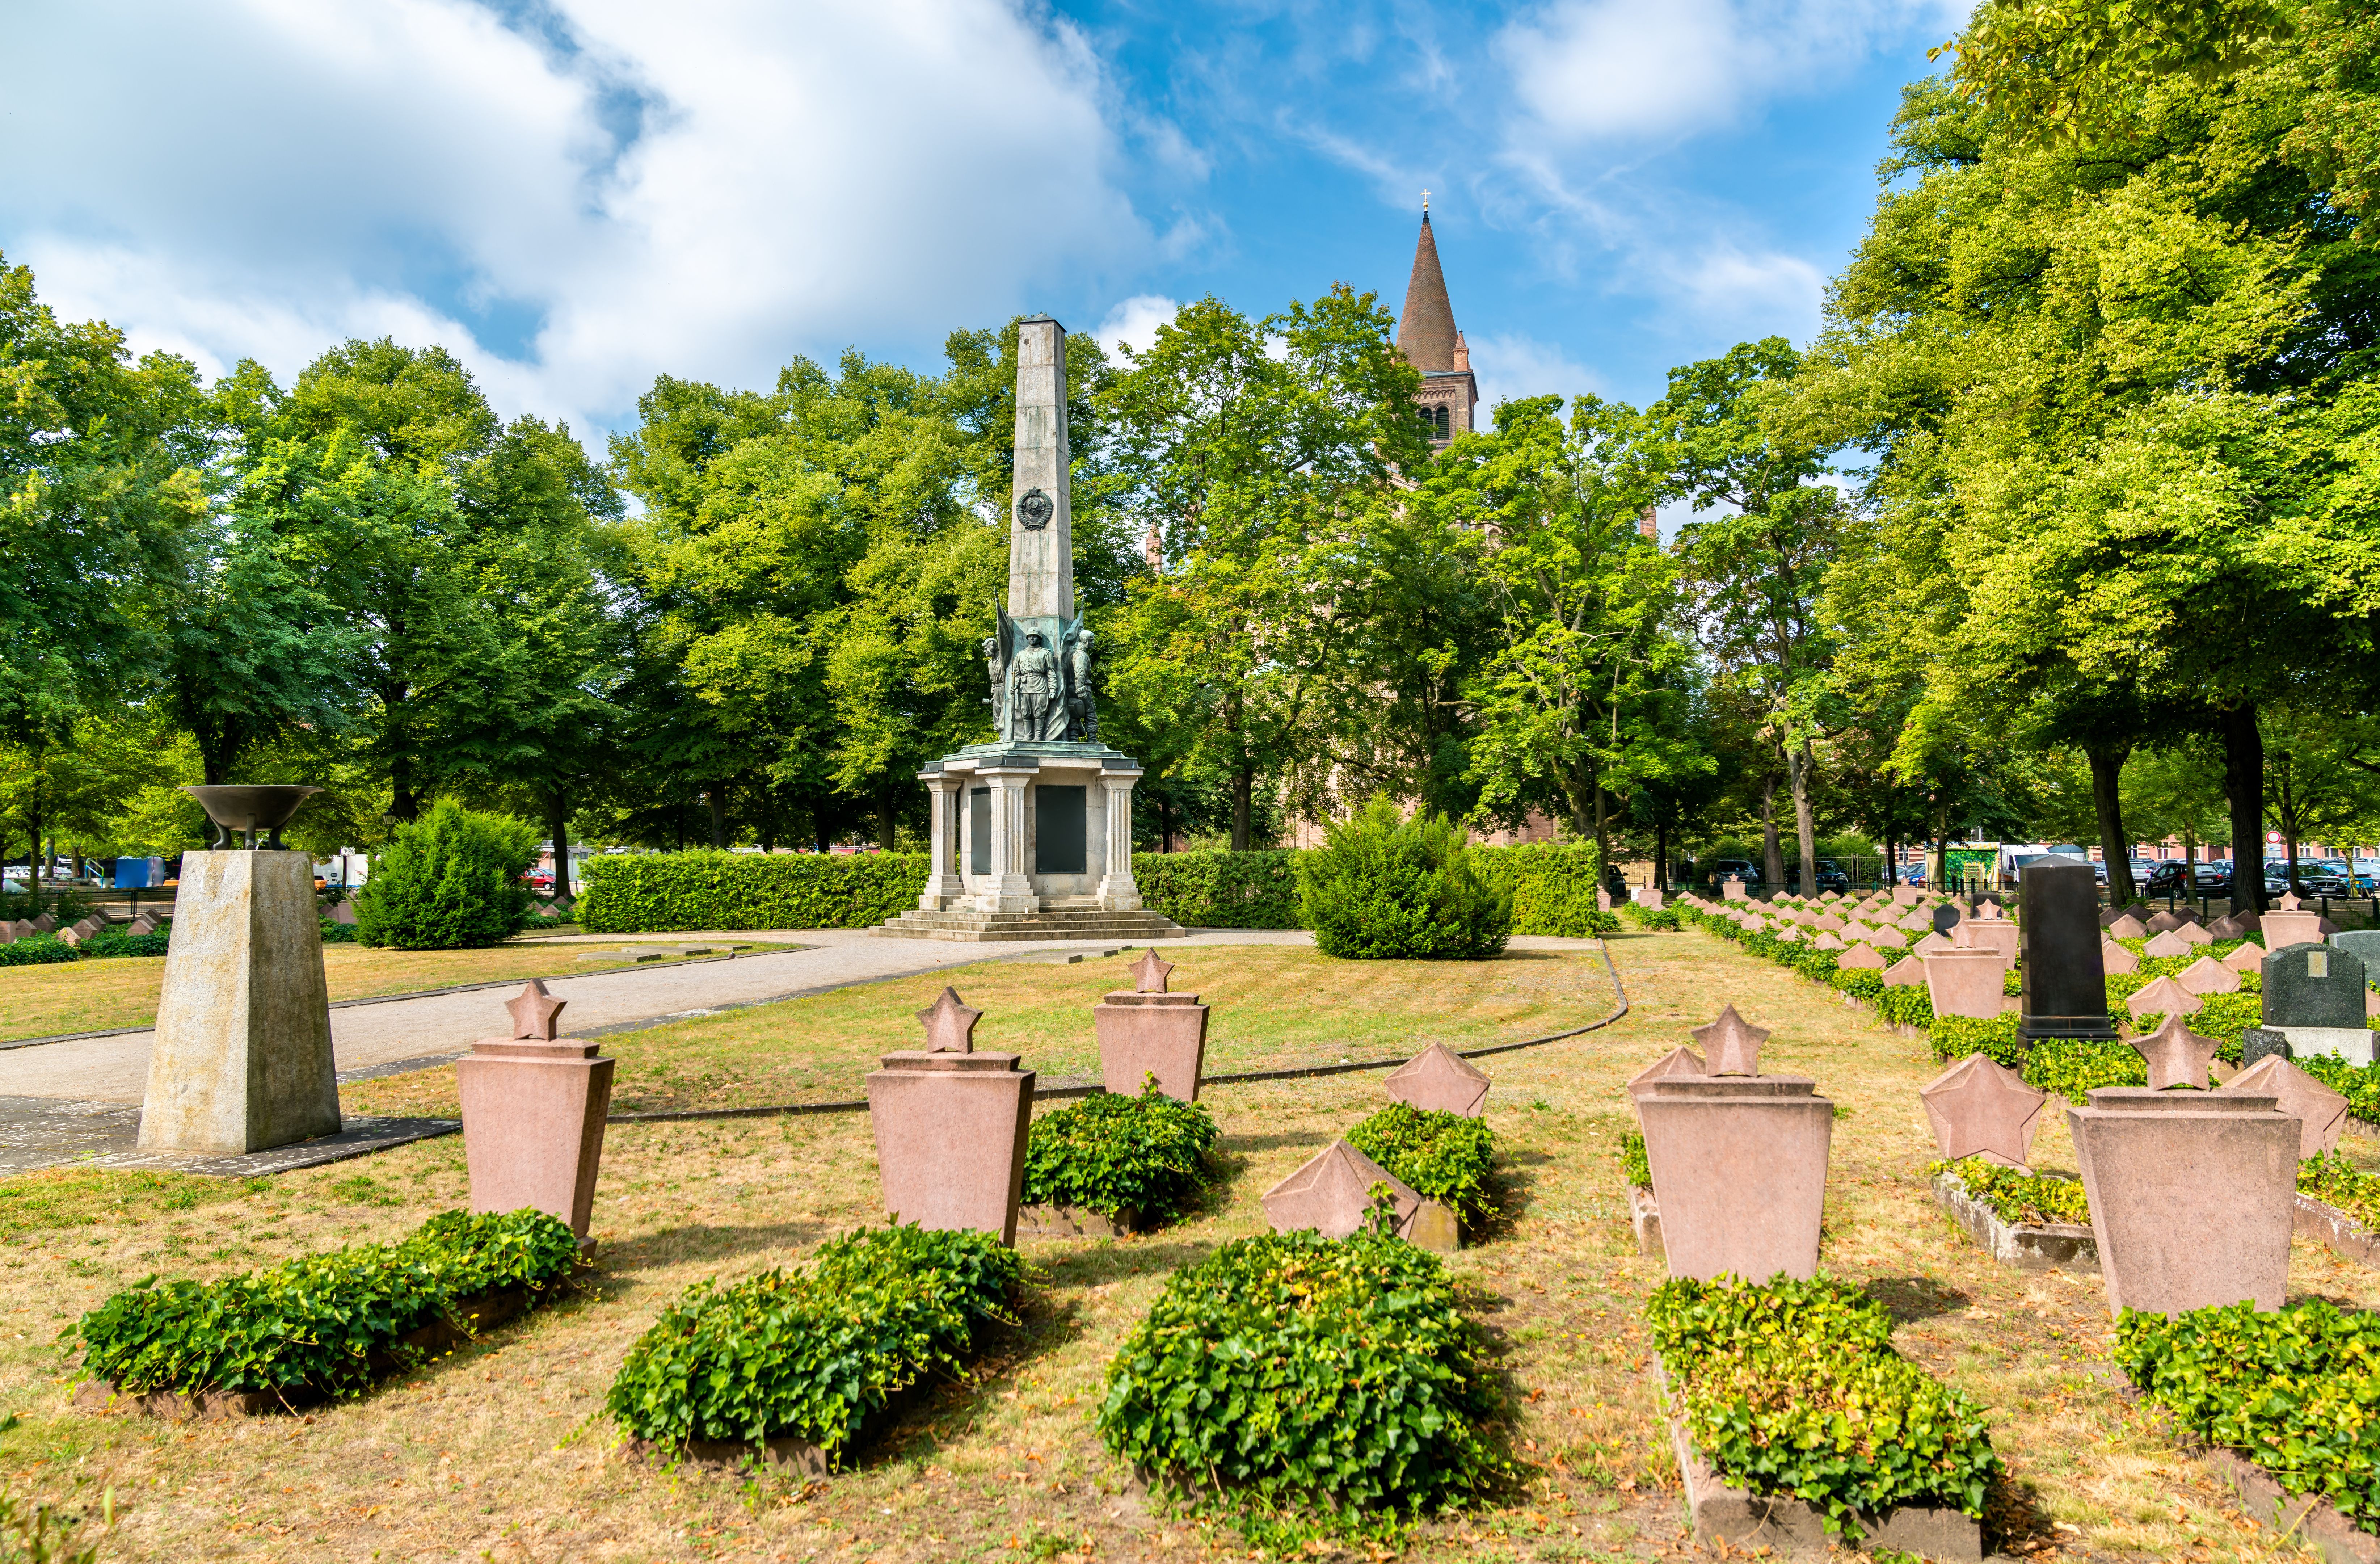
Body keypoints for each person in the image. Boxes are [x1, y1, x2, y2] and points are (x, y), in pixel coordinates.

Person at [1007, 631, 1062, 740]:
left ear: (1040, 638)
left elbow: (1051, 672)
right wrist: (1015, 685)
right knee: (1025, 712)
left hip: (1040, 685)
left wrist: (1053, 690)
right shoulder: (1020, 654)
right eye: (1030, 636)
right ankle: (1028, 736)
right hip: (1025, 687)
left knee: (1040, 712)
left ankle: (1038, 736)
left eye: (1035, 636)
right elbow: (1017, 674)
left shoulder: (1046, 653)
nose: (1032, 638)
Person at [1063, 629, 1098, 741]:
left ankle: (1073, 740)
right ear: (1085, 640)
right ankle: (1093, 740)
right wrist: (1081, 690)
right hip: (1082, 689)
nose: (1093, 643)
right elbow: (1080, 673)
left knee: (1075, 714)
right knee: (1091, 714)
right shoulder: (1081, 655)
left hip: (1072, 688)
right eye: (1091, 641)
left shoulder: (1073, 653)